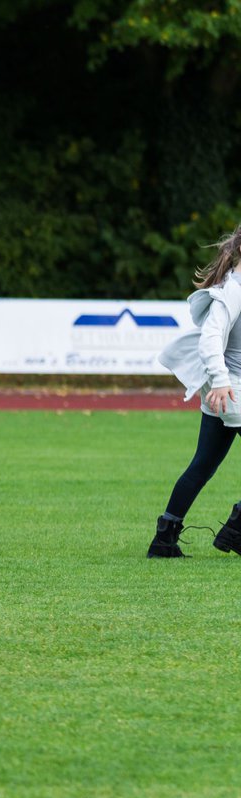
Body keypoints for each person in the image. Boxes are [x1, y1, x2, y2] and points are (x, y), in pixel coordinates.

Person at [150, 223, 241, 557]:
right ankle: (236, 530)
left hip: (227, 390)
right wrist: (219, 379)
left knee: (203, 464)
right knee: (203, 464)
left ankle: (164, 540)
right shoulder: (233, 290)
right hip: (229, 390)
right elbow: (210, 337)